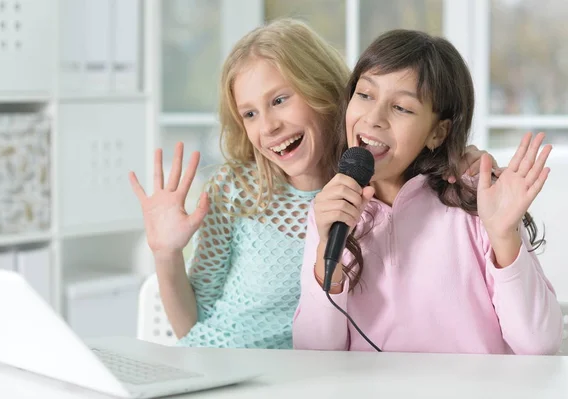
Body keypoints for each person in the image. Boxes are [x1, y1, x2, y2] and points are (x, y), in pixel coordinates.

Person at [129, 19, 502, 349]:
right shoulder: (235, 189)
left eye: (280, 100)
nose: (268, 126)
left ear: (323, 90)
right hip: (218, 365)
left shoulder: (374, 192)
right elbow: (191, 326)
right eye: (250, 113)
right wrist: (166, 253)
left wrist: (465, 159)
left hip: (308, 378)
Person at [292, 29, 563, 355]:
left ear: (437, 133)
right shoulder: (330, 210)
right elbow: (314, 353)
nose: (373, 118)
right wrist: (327, 254)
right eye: (365, 95)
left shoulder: (478, 202)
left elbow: (540, 345)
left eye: (401, 108)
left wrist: (503, 235)